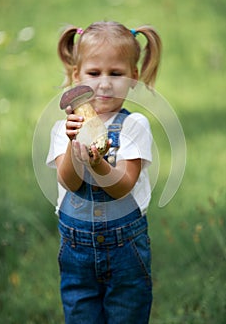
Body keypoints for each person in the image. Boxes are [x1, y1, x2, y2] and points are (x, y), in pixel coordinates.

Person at [46, 21, 162, 324]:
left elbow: (122, 186)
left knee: (127, 314)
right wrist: (75, 147)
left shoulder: (135, 125)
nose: (104, 84)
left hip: (125, 250)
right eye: (94, 73)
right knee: (81, 314)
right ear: (76, 76)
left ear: (133, 77)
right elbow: (69, 182)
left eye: (116, 73)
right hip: (76, 250)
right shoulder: (63, 129)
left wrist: (97, 162)